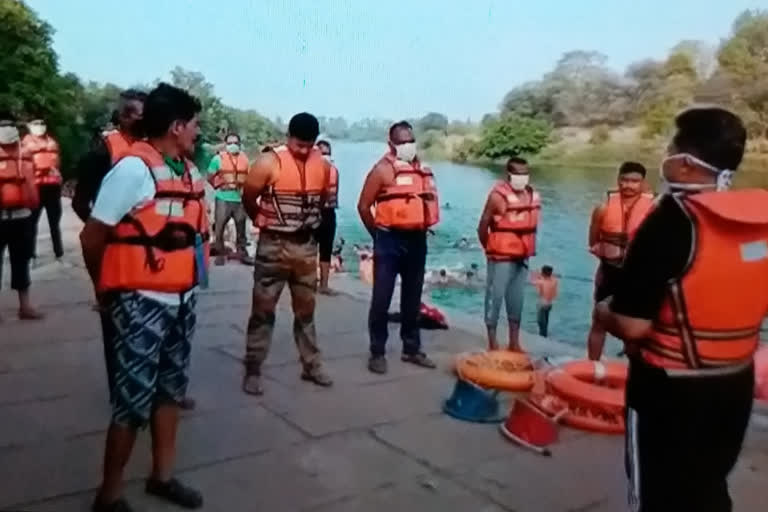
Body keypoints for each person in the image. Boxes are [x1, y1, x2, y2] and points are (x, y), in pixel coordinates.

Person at [595, 107, 766, 512]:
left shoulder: (672, 221)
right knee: (708, 487)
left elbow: (634, 327)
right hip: (734, 384)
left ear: (687, 164)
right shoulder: (758, 224)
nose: (665, 154)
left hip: (669, 391)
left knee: (658, 496)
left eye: (671, 147)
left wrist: (604, 313)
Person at [79, 84, 207, 512]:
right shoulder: (133, 171)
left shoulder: (185, 170)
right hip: (139, 303)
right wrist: (106, 288)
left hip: (181, 302)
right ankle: (109, 493)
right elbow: (93, 235)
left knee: (170, 392)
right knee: (131, 402)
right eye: (194, 124)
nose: (197, 132)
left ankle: (162, 476)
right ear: (176, 126)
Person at [241, 113, 333, 395]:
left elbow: (322, 205)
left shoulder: (324, 166)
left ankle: (311, 365)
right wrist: (262, 219)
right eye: (298, 144)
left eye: (309, 145)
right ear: (288, 137)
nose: (303, 151)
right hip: (274, 245)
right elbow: (248, 197)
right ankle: (253, 368)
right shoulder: (269, 162)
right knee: (263, 309)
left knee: (306, 310)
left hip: (306, 247)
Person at [357, 121, 439, 374]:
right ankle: (377, 352)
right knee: (381, 298)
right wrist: (378, 236)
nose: (408, 145)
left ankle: (411, 348)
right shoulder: (382, 170)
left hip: (417, 239)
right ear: (391, 144)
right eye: (402, 141)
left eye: (411, 140)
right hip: (389, 239)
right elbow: (363, 206)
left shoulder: (423, 170)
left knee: (413, 298)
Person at [586, 161, 654, 360]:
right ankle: (592, 366)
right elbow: (593, 241)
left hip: (640, 277)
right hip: (610, 272)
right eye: (624, 180)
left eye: (634, 181)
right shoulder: (603, 209)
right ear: (618, 181)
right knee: (598, 320)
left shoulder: (654, 211)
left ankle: (633, 367)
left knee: (635, 329)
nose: (628, 185)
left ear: (643, 183)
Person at [477, 156, 540, 351]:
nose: (522, 178)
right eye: (518, 174)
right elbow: (483, 225)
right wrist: (490, 248)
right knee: (494, 297)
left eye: (525, 174)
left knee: (517, 298)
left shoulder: (532, 196)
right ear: (508, 175)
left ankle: (514, 342)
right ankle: (492, 342)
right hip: (500, 256)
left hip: (522, 257)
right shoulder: (497, 196)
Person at [73, 89, 147, 223]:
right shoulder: (101, 153)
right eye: (127, 111)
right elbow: (80, 204)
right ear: (120, 115)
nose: (133, 117)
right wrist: (100, 232)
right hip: (117, 237)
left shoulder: (158, 149)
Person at [0, 112, 43, 321]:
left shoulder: (25, 151)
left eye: (10, 125)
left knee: (21, 261)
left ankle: (25, 307)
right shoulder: (24, 151)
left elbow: (32, 182)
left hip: (22, 215)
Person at [206, 132, 253, 265]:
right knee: (219, 227)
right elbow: (209, 176)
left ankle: (243, 253)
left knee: (241, 227)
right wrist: (218, 185)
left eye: (235, 143)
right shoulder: (217, 159)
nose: (233, 145)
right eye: (230, 143)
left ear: (239, 144)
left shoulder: (245, 159)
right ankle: (220, 254)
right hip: (223, 197)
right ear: (226, 145)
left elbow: (250, 177)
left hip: (239, 198)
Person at [22, 117, 64, 260]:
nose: (39, 126)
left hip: (52, 186)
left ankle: (58, 251)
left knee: (54, 221)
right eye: (35, 124)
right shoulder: (25, 144)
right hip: (36, 187)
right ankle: (29, 251)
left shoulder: (52, 142)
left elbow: (57, 163)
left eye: (41, 123)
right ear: (29, 126)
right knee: (32, 222)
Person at [316, 138, 340, 295]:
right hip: (312, 213)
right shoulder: (309, 171)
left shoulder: (334, 171)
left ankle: (324, 284)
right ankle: (307, 281)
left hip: (329, 213)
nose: (325, 156)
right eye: (322, 153)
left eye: (327, 153)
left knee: (326, 249)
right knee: (308, 249)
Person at [531, 265, 558, 337]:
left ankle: (542, 336)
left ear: (543, 273)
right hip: (549, 304)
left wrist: (535, 274)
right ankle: (545, 334)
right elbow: (551, 277)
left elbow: (533, 281)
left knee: (540, 322)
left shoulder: (541, 282)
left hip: (542, 304)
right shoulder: (555, 281)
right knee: (546, 321)